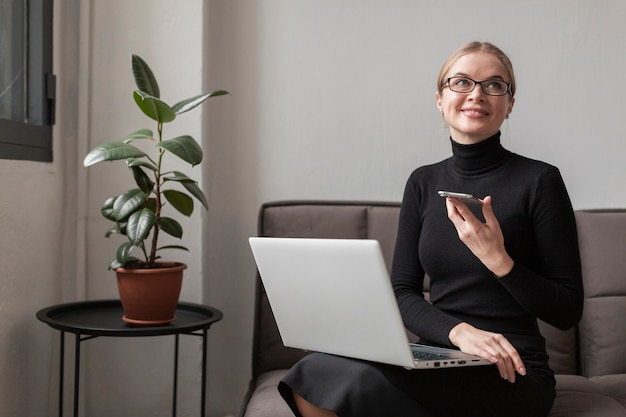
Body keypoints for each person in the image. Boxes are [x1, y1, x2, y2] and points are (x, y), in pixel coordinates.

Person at [277, 41, 584, 417]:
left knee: (358, 385)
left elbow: (568, 310)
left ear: (509, 105)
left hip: (512, 367)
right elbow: (402, 291)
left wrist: (499, 260)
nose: (476, 94)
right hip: (438, 354)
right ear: (440, 99)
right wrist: (458, 333)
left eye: (494, 85)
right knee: (314, 370)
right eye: (461, 82)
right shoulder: (422, 182)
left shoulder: (540, 181)